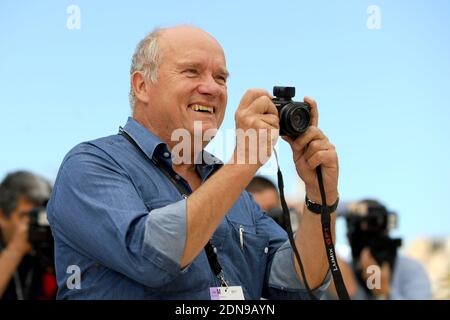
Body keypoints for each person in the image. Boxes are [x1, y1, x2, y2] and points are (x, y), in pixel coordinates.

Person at [47, 25, 340, 299]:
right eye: (192, 72)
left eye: (221, 78)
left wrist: (319, 198)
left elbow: (298, 282)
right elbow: (150, 256)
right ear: (142, 86)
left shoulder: (231, 187)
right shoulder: (91, 165)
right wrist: (244, 162)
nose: (212, 88)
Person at [326, 199, 432, 300]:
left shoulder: (410, 269)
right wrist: (349, 207)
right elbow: (318, 232)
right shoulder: (344, 271)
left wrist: (383, 293)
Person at [0, 171, 56, 300]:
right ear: (2, 216)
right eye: (26, 216)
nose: (35, 225)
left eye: (40, 216)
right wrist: (15, 250)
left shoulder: (49, 245)